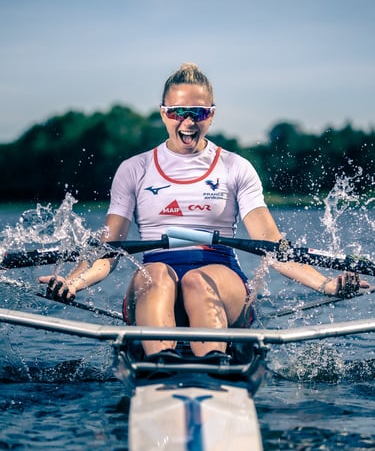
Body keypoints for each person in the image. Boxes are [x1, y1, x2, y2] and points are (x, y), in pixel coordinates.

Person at [39, 62, 370, 360]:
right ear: (163, 113)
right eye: (177, 112)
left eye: (197, 112)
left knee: (198, 280)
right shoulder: (134, 169)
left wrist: (326, 285)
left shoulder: (236, 168)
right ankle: (159, 365)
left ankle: (212, 366)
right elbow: (107, 251)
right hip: (157, 277)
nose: (186, 121)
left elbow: (273, 246)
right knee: (156, 276)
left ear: (210, 115)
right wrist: (72, 283)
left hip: (221, 279)